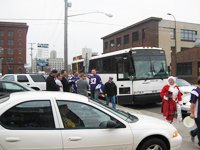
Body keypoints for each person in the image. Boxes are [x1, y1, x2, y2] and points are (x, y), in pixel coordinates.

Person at [189, 77, 200, 148]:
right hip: (198, 114)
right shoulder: (196, 91)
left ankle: (193, 133)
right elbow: (192, 103)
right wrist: (192, 113)